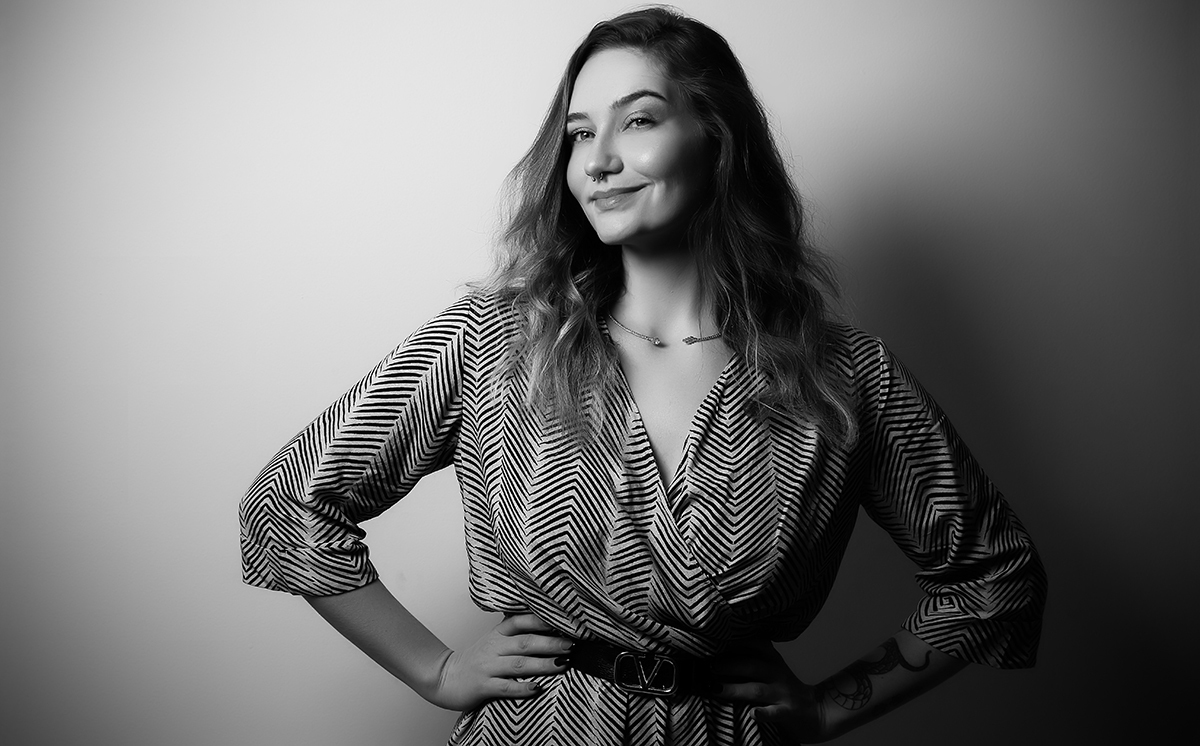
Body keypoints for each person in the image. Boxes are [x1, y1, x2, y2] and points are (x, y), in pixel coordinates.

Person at [239, 7, 1046, 744]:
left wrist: (827, 708)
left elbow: (994, 576)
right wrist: (436, 671)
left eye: (639, 120)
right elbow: (288, 506)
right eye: (580, 133)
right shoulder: (496, 341)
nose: (599, 161)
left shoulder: (842, 376)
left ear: (717, 138)